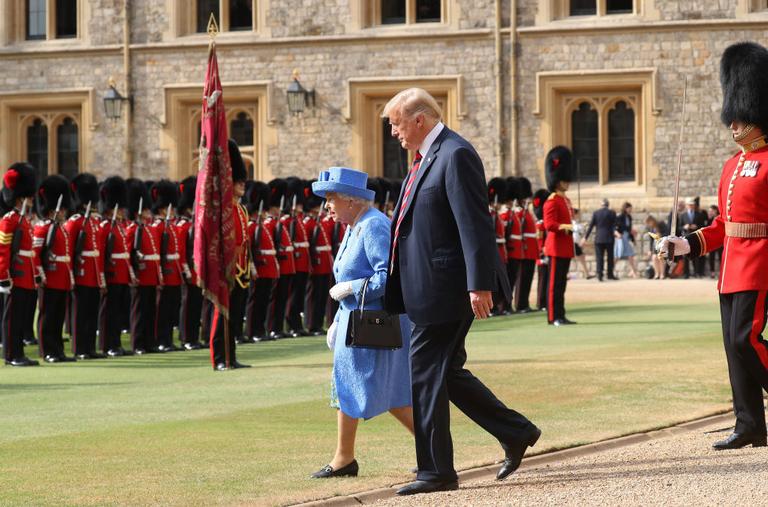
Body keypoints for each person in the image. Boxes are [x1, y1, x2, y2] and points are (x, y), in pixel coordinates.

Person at [382, 88, 539, 496]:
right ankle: (516, 431)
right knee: (445, 373)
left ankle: (435, 471)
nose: (394, 132)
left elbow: (473, 224)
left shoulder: (455, 154)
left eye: (397, 123)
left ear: (419, 119)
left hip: (447, 289)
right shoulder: (423, 159)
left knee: (425, 374)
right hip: (427, 287)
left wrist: (479, 283)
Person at [658, 41, 768, 450]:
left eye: (740, 118)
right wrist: (684, 244)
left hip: (761, 264)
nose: (733, 124)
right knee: (733, 349)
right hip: (730, 269)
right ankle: (750, 424)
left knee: (747, 340)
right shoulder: (731, 166)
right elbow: (724, 224)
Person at [308, 167, 414, 479]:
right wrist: (339, 317)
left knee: (387, 393)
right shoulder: (355, 225)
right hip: (355, 320)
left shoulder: (373, 226)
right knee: (350, 388)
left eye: (331, 199)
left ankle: (431, 450)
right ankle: (344, 457)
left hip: (375, 322)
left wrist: (352, 289)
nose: (327, 205)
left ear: (351, 200)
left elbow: (389, 277)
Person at [208, 140, 252, 371]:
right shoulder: (223, 211)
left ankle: (231, 357)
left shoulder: (241, 210)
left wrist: (249, 265)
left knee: (234, 317)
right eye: (238, 181)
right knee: (222, 315)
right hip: (227, 270)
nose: (242, 185)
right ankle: (219, 359)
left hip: (241, 270)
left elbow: (244, 243)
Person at [0, 163, 40, 366]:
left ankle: (19, 352)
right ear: (20, 197)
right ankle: (10, 354)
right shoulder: (10, 220)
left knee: (21, 316)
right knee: (12, 317)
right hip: (15, 274)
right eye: (29, 197)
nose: (32, 200)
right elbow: (3, 249)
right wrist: (4, 276)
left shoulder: (23, 220)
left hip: (25, 274)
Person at [34, 174, 76, 363]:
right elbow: (36, 255)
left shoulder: (62, 229)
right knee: (48, 316)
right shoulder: (43, 229)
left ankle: (57, 349)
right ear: (53, 210)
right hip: (49, 277)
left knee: (58, 317)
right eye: (62, 209)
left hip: (62, 278)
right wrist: (41, 275)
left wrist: (70, 277)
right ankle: (47, 350)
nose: (64, 212)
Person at [65, 173, 107, 360]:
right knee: (80, 314)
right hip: (81, 274)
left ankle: (89, 347)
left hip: (93, 275)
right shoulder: (75, 223)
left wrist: (101, 277)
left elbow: (99, 253)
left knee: (91, 313)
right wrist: (71, 276)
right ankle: (79, 348)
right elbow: (69, 251)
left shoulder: (95, 223)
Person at [97, 176, 133, 357]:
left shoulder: (119, 227)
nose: (123, 211)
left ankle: (116, 343)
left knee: (118, 312)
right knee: (109, 312)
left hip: (121, 274)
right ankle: (106, 344)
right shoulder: (105, 227)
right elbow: (103, 256)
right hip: (111, 275)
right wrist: (102, 278)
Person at [543, 146, 576, 326]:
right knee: (554, 285)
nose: (567, 183)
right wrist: (568, 226)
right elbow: (549, 225)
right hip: (555, 248)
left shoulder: (566, 200)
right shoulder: (552, 201)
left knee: (561, 285)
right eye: (564, 180)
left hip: (565, 247)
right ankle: (553, 316)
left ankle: (561, 314)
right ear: (557, 181)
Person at [584, 199, 617, 281]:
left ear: (601, 205)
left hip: (599, 238)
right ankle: (610, 274)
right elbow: (614, 226)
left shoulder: (596, 213)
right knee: (610, 257)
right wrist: (616, 233)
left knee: (599, 257)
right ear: (608, 205)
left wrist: (585, 237)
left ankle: (600, 274)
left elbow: (591, 226)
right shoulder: (612, 213)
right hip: (609, 238)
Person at [614, 202, 638, 279]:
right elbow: (620, 226)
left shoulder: (629, 217)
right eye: (629, 208)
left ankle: (633, 272)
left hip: (626, 237)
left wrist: (633, 239)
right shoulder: (620, 216)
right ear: (625, 208)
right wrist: (630, 230)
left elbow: (629, 229)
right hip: (621, 237)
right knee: (619, 255)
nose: (630, 210)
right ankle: (633, 272)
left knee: (629, 255)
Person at [644, 215, 668, 280]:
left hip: (662, 243)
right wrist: (650, 250)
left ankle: (662, 274)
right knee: (654, 258)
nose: (649, 225)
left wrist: (661, 235)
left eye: (649, 223)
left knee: (661, 257)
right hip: (655, 244)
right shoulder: (650, 228)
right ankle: (657, 274)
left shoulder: (661, 223)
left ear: (652, 220)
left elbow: (667, 233)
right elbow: (651, 239)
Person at [571, 208, 591, 279]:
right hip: (573, 242)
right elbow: (576, 230)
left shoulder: (576, 222)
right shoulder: (572, 222)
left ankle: (587, 273)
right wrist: (582, 226)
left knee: (582, 257)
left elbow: (580, 231)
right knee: (581, 257)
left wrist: (582, 226)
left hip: (575, 242)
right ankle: (587, 273)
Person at [706, 205, 722, 279]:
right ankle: (712, 272)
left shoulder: (720, 217)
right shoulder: (708, 219)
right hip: (711, 241)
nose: (710, 212)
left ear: (716, 210)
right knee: (711, 257)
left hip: (720, 241)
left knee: (720, 257)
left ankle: (721, 272)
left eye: (711, 211)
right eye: (709, 211)